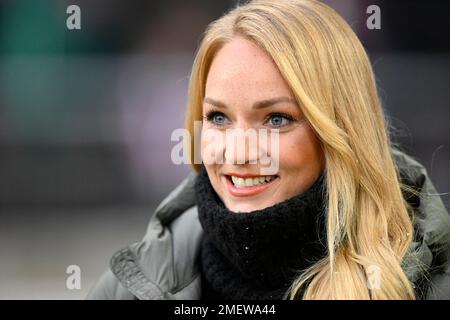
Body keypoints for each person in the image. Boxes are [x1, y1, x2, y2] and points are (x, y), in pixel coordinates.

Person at [87, 0, 450, 300]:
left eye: (276, 119)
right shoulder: (128, 286)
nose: (239, 154)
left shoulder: (428, 284)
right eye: (218, 117)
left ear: (340, 132)